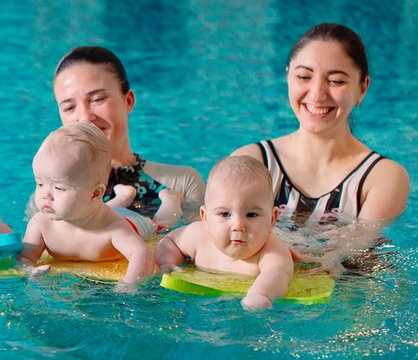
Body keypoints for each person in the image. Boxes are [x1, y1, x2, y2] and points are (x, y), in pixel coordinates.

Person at [231, 23, 409, 228]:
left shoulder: (382, 178)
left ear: (362, 88)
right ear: (288, 77)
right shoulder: (252, 163)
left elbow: (344, 257)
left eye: (336, 81)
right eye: (304, 77)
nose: (317, 94)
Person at [51, 46, 205, 230]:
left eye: (97, 99)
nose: (84, 117)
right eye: (69, 107)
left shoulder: (181, 184)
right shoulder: (51, 192)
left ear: (128, 101)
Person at [18, 123, 155, 286]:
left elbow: (141, 254)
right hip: (91, 207)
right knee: (97, 206)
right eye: (39, 184)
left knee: (160, 223)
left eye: (59, 187)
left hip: (132, 220)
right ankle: (124, 196)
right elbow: (25, 258)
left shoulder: (113, 227)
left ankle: (169, 203)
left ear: (96, 193)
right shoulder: (40, 224)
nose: (45, 195)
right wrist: (29, 270)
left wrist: (128, 286)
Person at [155, 156, 293, 310]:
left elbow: (279, 274)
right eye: (225, 214)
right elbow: (170, 242)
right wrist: (167, 262)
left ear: (272, 220)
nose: (238, 226)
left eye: (252, 215)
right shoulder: (199, 236)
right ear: (205, 219)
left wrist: (260, 295)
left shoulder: (271, 251)